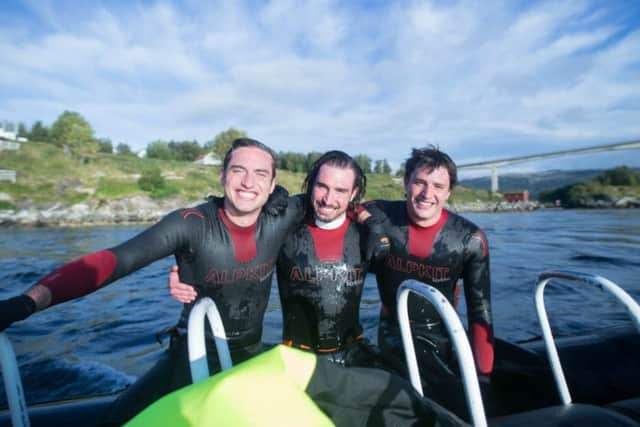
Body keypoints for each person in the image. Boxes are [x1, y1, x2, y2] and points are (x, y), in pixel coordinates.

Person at [0, 138, 304, 425]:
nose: (249, 183)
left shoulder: (282, 214)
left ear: (273, 184)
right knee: (118, 420)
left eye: (260, 174)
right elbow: (117, 260)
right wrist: (27, 302)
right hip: (191, 354)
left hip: (249, 357)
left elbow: (334, 196)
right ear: (222, 175)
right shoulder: (190, 224)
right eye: (239, 170)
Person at [170, 150, 391, 368]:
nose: (328, 199)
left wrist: (371, 222)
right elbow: (236, 256)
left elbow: (400, 274)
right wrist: (190, 273)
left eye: (340, 190)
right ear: (311, 185)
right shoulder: (284, 230)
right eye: (322, 186)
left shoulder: (367, 233)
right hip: (297, 359)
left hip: (355, 355)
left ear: (353, 194)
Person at [363, 145, 494, 420]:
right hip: (393, 331)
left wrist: (483, 377)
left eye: (437, 186)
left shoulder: (470, 239)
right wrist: (368, 223)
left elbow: (480, 310)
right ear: (406, 182)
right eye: (420, 182)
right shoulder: (382, 216)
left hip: (444, 333)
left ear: (449, 192)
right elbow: (341, 204)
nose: (427, 194)